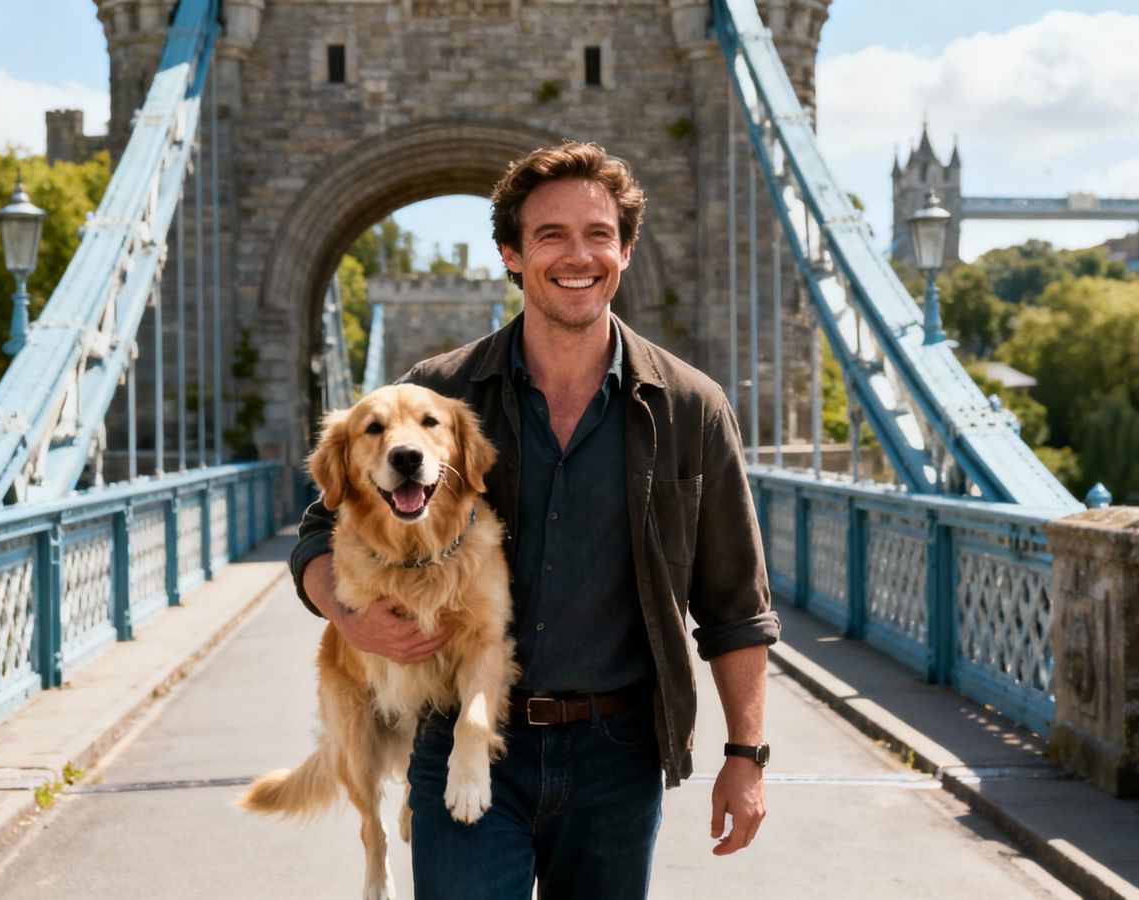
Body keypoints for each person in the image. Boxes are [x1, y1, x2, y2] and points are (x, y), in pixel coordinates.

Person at [290, 140, 778, 900]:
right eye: (550, 236)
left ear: (626, 249)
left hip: (617, 752)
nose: (576, 256)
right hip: (461, 734)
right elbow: (322, 526)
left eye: (597, 235)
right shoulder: (436, 394)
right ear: (512, 255)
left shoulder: (690, 408)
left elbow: (736, 606)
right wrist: (346, 613)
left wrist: (746, 755)